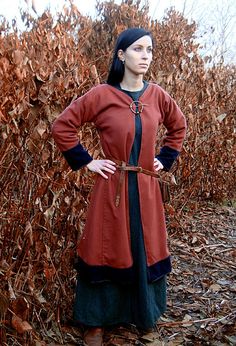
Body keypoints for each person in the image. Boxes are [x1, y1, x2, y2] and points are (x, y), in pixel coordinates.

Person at [52, 27, 186, 345]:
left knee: (145, 245)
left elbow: (178, 126)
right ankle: (95, 321)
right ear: (122, 55)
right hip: (111, 187)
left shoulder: (158, 96)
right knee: (106, 247)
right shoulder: (101, 95)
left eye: (149, 50)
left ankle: (143, 313)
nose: (145, 56)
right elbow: (63, 126)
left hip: (146, 186)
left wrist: (164, 158)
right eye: (138, 49)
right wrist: (88, 161)